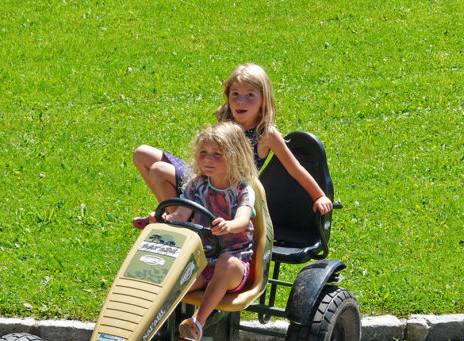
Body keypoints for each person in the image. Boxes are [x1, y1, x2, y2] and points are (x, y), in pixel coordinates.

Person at [131, 63, 332, 228]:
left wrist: (320, 196)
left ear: (264, 100)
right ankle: (174, 214)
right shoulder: (224, 115)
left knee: (158, 170)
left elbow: (294, 169)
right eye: (235, 94)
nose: (240, 102)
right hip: (203, 176)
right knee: (142, 154)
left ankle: (176, 223)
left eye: (250, 95)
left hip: (228, 189)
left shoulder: (266, 134)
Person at [165, 122, 257, 341]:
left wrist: (228, 225)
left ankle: (197, 322)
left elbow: (243, 220)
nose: (208, 160)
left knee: (227, 262)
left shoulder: (243, 190)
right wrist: (158, 219)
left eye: (217, 154)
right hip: (203, 262)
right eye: (203, 153)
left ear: (235, 156)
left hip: (235, 265)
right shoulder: (197, 185)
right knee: (169, 280)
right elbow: (179, 215)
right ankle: (150, 332)